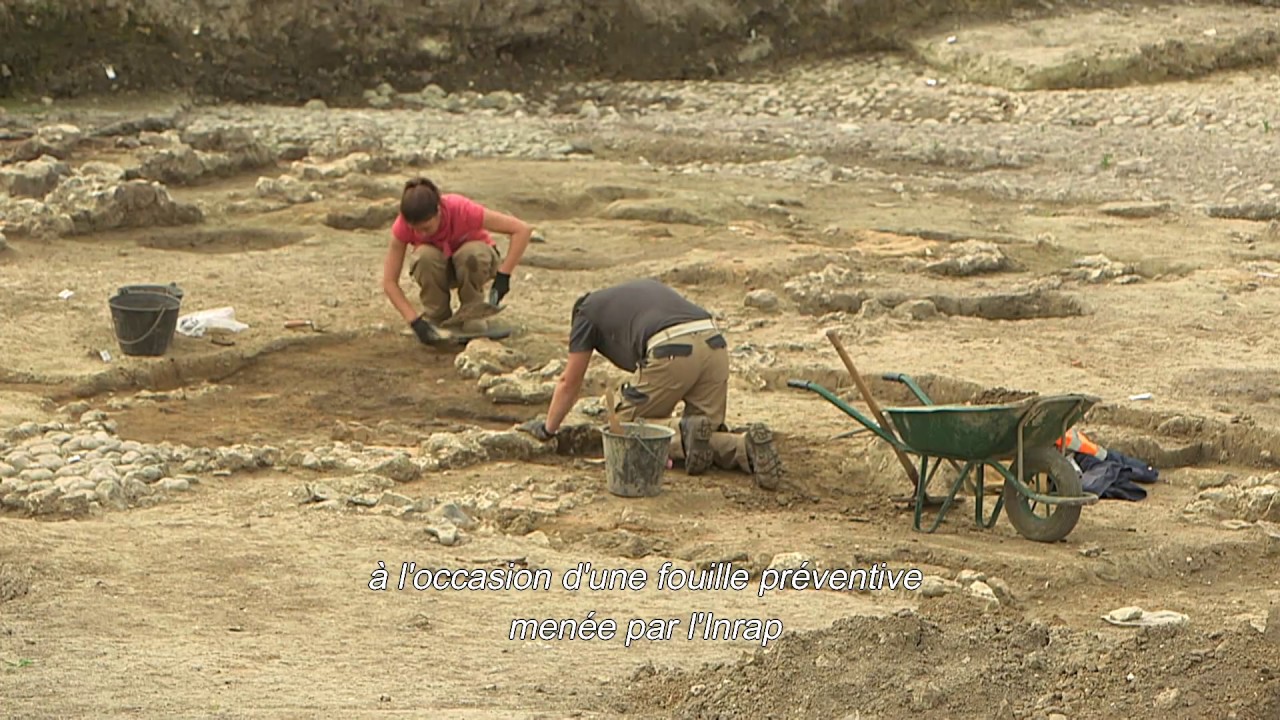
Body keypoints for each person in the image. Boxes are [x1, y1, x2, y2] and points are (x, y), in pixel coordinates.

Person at [519, 279, 784, 490]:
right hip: (714, 344)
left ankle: (684, 430)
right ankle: (744, 448)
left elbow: (570, 381)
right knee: (706, 436)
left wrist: (548, 428)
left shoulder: (585, 313)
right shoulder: (634, 296)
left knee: (622, 429)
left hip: (672, 349)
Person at [381, 177, 534, 345]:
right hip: (439, 268)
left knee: (471, 254)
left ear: (438, 210)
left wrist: (504, 275)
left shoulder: (461, 209)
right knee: (424, 257)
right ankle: (437, 318)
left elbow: (522, 230)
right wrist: (415, 322)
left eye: (426, 228)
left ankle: (473, 313)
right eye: (415, 230)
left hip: (474, 264)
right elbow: (389, 282)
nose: (422, 234)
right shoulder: (402, 225)